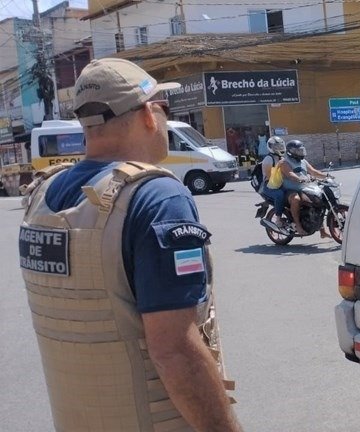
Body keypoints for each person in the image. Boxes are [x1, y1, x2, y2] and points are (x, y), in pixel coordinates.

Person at [17, 58, 241, 432]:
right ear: (149, 115)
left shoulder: (42, 194)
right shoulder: (157, 197)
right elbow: (175, 351)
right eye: (163, 109)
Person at [279, 139, 330, 237]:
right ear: (291, 152)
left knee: (317, 200)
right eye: (299, 151)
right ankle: (298, 225)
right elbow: (290, 174)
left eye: (302, 150)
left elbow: (313, 171)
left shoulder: (303, 161)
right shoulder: (283, 162)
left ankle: (322, 230)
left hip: (304, 188)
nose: (301, 153)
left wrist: (326, 176)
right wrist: (300, 179)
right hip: (290, 190)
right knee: (296, 199)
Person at [259, 136, 288, 227]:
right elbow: (270, 177)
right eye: (276, 147)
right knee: (279, 194)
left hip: (280, 183)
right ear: (271, 147)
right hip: (269, 185)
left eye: (280, 146)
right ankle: (278, 219)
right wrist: (279, 165)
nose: (279, 149)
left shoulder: (282, 157)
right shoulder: (268, 159)